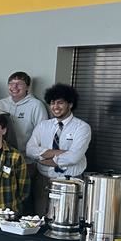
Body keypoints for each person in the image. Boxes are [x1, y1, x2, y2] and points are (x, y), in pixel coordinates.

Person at [25, 83, 92, 216]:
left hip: (70, 181)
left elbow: (74, 157)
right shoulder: (43, 126)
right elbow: (30, 150)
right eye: (52, 103)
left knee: (67, 220)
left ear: (70, 104)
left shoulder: (82, 127)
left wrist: (44, 159)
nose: (55, 107)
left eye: (60, 103)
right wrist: (59, 153)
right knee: (40, 218)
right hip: (43, 180)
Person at [0, 71, 49, 212]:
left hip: (26, 162)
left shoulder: (36, 105)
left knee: (23, 198)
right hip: (2, 160)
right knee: (3, 197)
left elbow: (44, 135)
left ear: (28, 87)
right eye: (11, 83)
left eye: (19, 84)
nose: (14, 87)